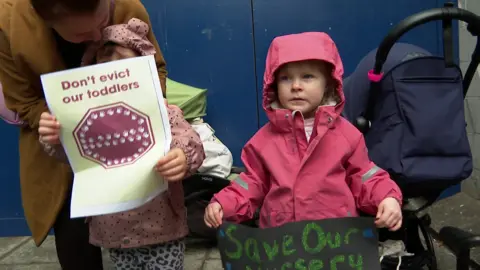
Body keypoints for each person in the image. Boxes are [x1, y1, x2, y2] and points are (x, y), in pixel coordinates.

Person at [0, 0, 167, 269]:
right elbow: (22, 100)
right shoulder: (7, 22)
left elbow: (155, 69)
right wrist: (47, 121)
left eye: (102, 23)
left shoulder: (127, 6)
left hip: (125, 134)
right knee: (73, 237)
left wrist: (139, 99)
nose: (95, 37)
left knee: (143, 230)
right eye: (79, 35)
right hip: (59, 150)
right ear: (47, 22)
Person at [38, 18, 205, 270]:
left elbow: (190, 140)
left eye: (125, 65)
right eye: (104, 62)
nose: (112, 72)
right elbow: (72, 157)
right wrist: (54, 137)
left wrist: (182, 156)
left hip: (161, 229)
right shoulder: (85, 120)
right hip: (114, 233)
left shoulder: (162, 113)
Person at [204, 32, 403, 231]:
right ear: (273, 85)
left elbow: (364, 175)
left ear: (328, 84)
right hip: (283, 245)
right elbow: (251, 182)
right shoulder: (263, 141)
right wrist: (225, 204)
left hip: (336, 243)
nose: (296, 86)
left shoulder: (346, 135)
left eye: (307, 76)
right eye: (285, 78)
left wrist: (387, 197)